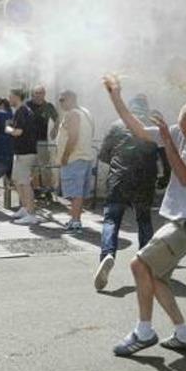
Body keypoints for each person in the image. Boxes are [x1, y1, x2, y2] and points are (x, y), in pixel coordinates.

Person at [104, 74, 186, 358]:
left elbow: (185, 176)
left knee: (138, 265)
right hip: (178, 220)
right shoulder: (178, 131)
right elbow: (138, 130)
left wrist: (169, 141)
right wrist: (116, 96)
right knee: (157, 278)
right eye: (183, 131)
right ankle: (183, 335)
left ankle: (143, 331)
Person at [94, 95, 160, 291]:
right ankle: (146, 262)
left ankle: (107, 255)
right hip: (145, 180)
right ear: (146, 109)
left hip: (119, 179)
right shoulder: (153, 126)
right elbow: (165, 154)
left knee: (111, 219)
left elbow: (104, 154)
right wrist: (165, 176)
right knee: (144, 219)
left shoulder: (117, 124)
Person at [56, 90, 95, 232]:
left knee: (74, 193)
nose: (60, 103)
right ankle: (74, 218)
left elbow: (73, 136)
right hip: (85, 156)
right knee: (78, 192)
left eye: (62, 100)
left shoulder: (72, 114)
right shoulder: (86, 112)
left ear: (71, 99)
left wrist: (65, 156)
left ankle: (75, 221)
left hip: (74, 158)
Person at [6, 89, 40, 225]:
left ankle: (31, 214)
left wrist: (8, 129)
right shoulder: (23, 110)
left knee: (25, 183)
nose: (9, 99)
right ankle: (25, 208)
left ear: (16, 97)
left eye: (10, 97)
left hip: (25, 153)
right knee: (18, 181)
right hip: (21, 152)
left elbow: (18, 132)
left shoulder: (22, 111)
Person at [26, 85, 60, 200]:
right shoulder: (28, 105)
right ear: (33, 94)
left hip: (43, 141)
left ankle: (47, 190)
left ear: (44, 94)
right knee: (33, 167)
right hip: (29, 141)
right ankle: (36, 190)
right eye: (36, 93)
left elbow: (57, 119)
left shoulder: (48, 106)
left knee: (45, 167)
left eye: (41, 93)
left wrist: (55, 130)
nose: (38, 95)